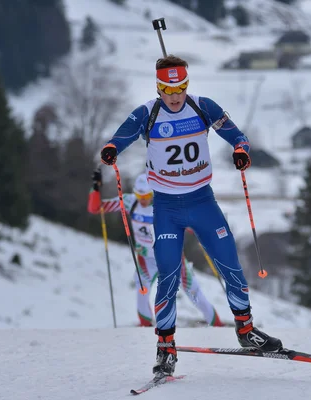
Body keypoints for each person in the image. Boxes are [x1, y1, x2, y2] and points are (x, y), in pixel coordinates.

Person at [99, 54, 283, 376]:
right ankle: (165, 347)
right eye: (168, 91)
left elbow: (238, 136)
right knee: (168, 275)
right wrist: (112, 149)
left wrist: (241, 151)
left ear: (187, 84)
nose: (175, 96)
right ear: (159, 88)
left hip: (202, 202)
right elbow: (120, 138)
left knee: (230, 264)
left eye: (181, 88)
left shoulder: (203, 106)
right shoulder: (147, 113)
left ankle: (245, 329)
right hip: (167, 207)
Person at [87, 169, 224, 328]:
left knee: (193, 292)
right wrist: (95, 188)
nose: (143, 200)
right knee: (142, 289)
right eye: (139, 196)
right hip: (146, 259)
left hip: (172, 257)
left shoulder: (165, 204)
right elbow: (95, 208)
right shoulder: (130, 202)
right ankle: (145, 327)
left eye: (146, 196)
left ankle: (218, 326)